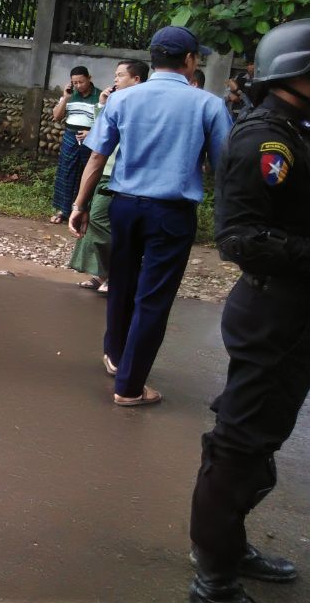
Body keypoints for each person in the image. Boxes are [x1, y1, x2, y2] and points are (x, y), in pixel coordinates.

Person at [186, 19, 310, 603]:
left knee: (263, 438)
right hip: (271, 312)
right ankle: (213, 576)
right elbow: (240, 236)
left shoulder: (296, 130)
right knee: (239, 444)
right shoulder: (266, 139)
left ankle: (229, 545)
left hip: (295, 313)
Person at [70, 26, 232, 406]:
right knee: (153, 297)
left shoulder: (122, 99)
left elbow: (97, 156)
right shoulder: (208, 105)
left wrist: (79, 205)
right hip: (171, 213)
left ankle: (115, 356)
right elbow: (226, 166)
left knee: (121, 282)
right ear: (190, 60)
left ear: (153, 59)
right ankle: (129, 387)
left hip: (125, 207)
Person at [69, 60, 148, 293]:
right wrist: (103, 105)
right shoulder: (114, 102)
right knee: (94, 222)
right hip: (104, 171)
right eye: (115, 75)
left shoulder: (141, 105)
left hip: (122, 174)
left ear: (137, 79)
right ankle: (103, 273)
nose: (115, 79)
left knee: (104, 223)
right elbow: (101, 135)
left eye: (121, 75)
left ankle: (117, 274)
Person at [50, 66, 100, 224]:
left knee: (87, 174)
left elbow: (105, 122)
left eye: (81, 82)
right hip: (70, 136)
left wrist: (91, 132)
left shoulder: (100, 96)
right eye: (75, 83)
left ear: (89, 78)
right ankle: (63, 210)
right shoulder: (70, 95)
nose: (78, 85)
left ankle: (83, 211)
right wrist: (65, 98)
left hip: (91, 138)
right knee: (66, 173)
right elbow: (57, 116)